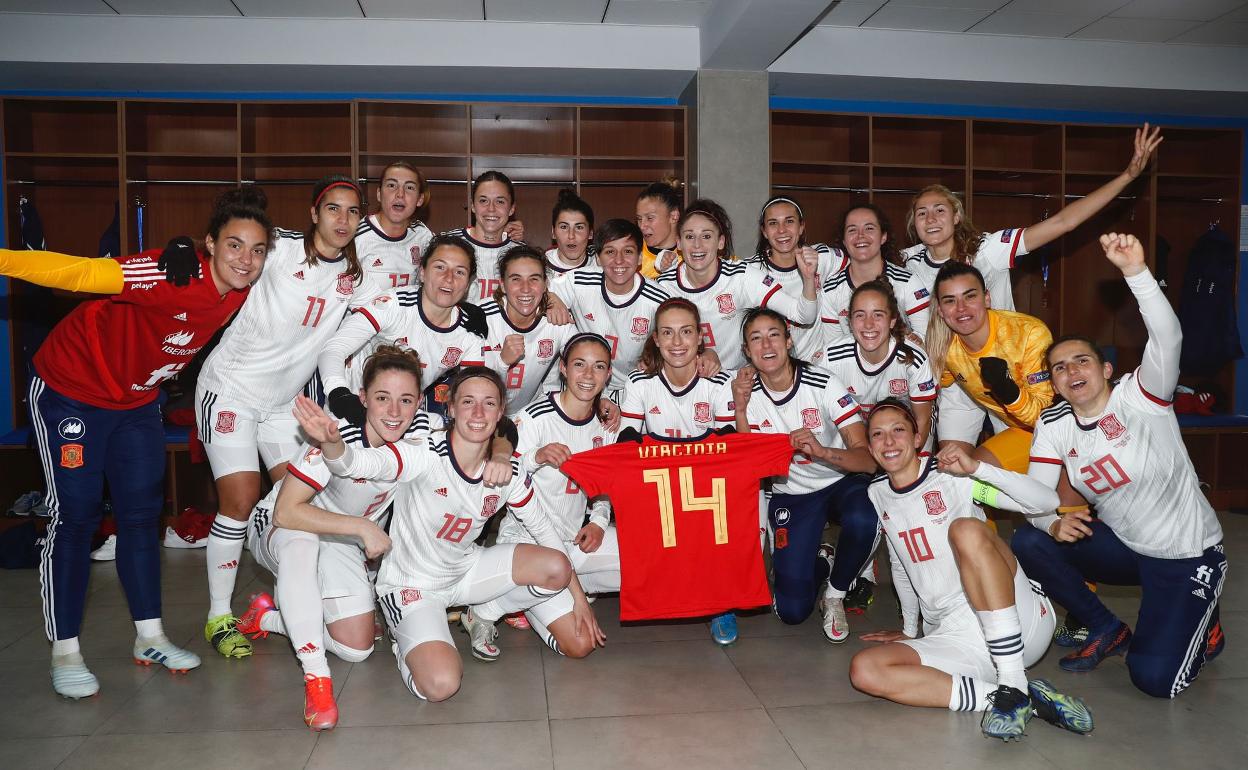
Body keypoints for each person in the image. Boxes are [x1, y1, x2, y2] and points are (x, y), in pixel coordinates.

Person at [0, 187, 271, 697]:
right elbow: (80, 274)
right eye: (234, 245)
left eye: (257, 250)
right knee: (75, 517)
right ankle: (65, 651)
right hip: (71, 392)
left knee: (142, 517)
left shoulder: (244, 289)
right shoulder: (169, 273)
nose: (246, 260)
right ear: (210, 244)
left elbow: (311, 255)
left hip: (136, 402)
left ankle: (149, 637)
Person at [1013, 233, 1228, 698]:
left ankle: (1206, 621)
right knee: (1030, 540)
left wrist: (1136, 272)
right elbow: (1036, 497)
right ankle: (1106, 627)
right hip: (1129, 548)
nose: (1072, 371)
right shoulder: (1054, 423)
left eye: (1081, 361)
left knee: (1153, 681)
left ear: (1106, 369)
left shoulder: (1142, 396)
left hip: (1186, 554)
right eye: (1059, 368)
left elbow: (1169, 337)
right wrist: (1050, 521)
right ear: (1054, 384)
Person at [301, 367, 598, 702]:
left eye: (489, 403)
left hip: (466, 571)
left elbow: (544, 530)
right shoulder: (423, 451)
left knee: (557, 566)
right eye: (468, 402)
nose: (478, 412)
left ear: (500, 412)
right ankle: (406, 640)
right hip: (413, 585)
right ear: (451, 408)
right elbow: (355, 464)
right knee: (442, 684)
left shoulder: (507, 470)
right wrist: (333, 445)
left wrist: (578, 597)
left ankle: (484, 612)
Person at [197, 175, 384, 659]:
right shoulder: (278, 249)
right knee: (241, 500)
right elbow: (228, 250)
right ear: (314, 214)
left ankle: (297, 601)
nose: (343, 219)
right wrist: (182, 251)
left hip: (285, 405)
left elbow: (397, 310)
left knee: (300, 501)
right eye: (333, 209)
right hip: (231, 391)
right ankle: (219, 615)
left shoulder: (356, 277)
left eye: (353, 211)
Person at [906, 125, 1162, 457]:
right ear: (914, 223)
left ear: (956, 216)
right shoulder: (907, 262)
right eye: (922, 213)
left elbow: (1062, 223)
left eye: (940, 210)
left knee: (1023, 462)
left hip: (1010, 372)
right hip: (957, 376)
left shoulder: (988, 249)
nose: (931, 219)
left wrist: (1128, 176)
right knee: (954, 467)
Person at [850, 398, 1092, 741]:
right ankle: (1018, 699)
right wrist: (909, 628)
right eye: (877, 434)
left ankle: (1012, 678)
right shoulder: (878, 493)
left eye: (898, 430)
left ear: (918, 437)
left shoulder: (953, 475)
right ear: (870, 445)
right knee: (865, 670)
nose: (888, 441)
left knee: (965, 530)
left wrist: (978, 469)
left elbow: (1046, 502)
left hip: (1019, 621)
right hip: (953, 635)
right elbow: (902, 561)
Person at [234, 347, 445, 729]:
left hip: (341, 539)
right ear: (363, 398)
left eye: (405, 400)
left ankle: (267, 617)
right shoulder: (336, 434)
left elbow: (484, 427)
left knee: (356, 648)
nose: (394, 411)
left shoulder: (422, 434)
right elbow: (287, 511)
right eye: (382, 398)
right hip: (281, 525)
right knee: (301, 542)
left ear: (419, 403)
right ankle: (316, 679)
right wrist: (363, 528)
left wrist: (499, 452)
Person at [469, 333, 620, 657]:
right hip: (530, 543)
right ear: (563, 368)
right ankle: (486, 609)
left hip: (573, 538)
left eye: (598, 367)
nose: (588, 375)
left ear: (609, 374)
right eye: (579, 365)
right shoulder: (534, 418)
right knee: (580, 645)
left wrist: (598, 521)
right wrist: (535, 457)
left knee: (643, 558)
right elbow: (501, 478)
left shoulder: (606, 424)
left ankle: (555, 587)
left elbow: (604, 484)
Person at [732, 308, 878, 644]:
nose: (766, 345)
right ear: (746, 350)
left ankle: (836, 594)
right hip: (792, 494)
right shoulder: (744, 391)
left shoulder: (823, 382)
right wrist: (739, 408)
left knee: (865, 516)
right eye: (756, 338)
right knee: (792, 611)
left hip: (840, 481)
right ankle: (824, 561)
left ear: (788, 340)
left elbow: (868, 460)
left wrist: (823, 452)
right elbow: (749, 465)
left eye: (774, 335)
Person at [618, 299, 738, 644]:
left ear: (700, 337)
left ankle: (721, 601)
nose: (677, 342)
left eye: (686, 332)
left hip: (707, 482)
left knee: (722, 510)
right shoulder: (640, 381)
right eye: (667, 333)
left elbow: (729, 443)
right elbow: (628, 439)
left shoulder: (720, 382)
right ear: (655, 339)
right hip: (661, 481)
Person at [823, 280, 939, 612]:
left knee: (912, 510)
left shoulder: (912, 358)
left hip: (904, 445)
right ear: (849, 321)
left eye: (878, 314)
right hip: (857, 446)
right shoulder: (832, 356)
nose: (869, 324)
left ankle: (928, 582)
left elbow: (922, 424)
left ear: (893, 320)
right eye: (860, 315)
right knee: (866, 506)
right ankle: (861, 571)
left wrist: (898, 466)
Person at [316, 234, 491, 421]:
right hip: (351, 407)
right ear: (422, 272)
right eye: (440, 267)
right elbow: (333, 349)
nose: (449, 278)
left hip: (401, 417)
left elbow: (473, 390)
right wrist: (339, 395)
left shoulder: (470, 331)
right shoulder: (394, 304)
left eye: (460, 272)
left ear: (468, 284)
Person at [656, 198, 819, 371]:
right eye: (690, 236)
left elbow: (804, 316)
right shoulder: (665, 286)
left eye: (706, 236)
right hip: (687, 378)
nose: (697, 245)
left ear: (720, 242)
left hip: (737, 379)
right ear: (679, 243)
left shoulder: (742, 276)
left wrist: (808, 278)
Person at [546, 219, 671, 400]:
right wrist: (551, 299)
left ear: (640, 258)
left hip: (631, 389)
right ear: (598, 258)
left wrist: (655, 358)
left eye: (628, 251)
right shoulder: (578, 281)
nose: (619, 260)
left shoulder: (658, 299)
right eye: (610, 251)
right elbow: (536, 291)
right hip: (584, 384)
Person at [479, 245, 578, 416]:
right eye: (516, 279)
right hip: (484, 413)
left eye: (534, 279)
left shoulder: (556, 319)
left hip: (530, 413)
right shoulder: (481, 317)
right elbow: (471, 387)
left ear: (546, 284)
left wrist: (602, 398)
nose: (526, 288)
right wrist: (502, 362)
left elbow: (586, 358)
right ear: (502, 285)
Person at [746, 196, 846, 362]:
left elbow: (862, 267)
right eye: (773, 223)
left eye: (789, 221)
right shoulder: (751, 271)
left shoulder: (822, 257)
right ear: (764, 231)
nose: (782, 230)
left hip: (816, 365)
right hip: (770, 365)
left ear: (801, 227)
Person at [819, 204, 930, 346]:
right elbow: (833, 347)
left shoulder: (908, 281)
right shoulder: (830, 290)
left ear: (883, 237)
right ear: (844, 241)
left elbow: (926, 337)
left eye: (869, 228)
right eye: (852, 230)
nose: (860, 235)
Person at [444, 170, 526, 303]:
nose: (491, 208)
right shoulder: (447, 244)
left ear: (511, 208)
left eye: (500, 201)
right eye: (483, 200)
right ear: (472, 205)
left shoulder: (521, 253)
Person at [355, 160, 435, 289]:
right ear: (379, 194)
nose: (400, 194)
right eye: (392, 185)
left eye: (409, 187)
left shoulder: (423, 235)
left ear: (419, 199)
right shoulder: (356, 236)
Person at [635, 178, 684, 278]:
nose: (642, 226)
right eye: (639, 219)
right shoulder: (632, 254)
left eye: (650, 218)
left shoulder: (691, 255)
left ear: (673, 216)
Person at [546, 188, 594, 274]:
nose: (571, 235)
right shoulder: (539, 266)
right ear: (553, 232)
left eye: (579, 227)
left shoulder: (603, 264)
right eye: (564, 227)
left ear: (590, 233)